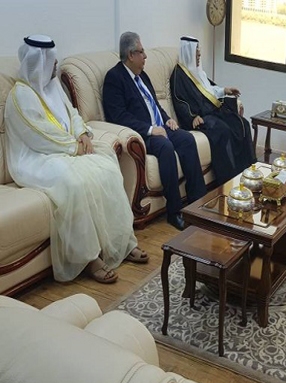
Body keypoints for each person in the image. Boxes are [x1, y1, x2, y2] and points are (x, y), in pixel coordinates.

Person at [4, 35, 148, 284]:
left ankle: (121, 243)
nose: (55, 64)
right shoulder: (20, 96)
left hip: (66, 150)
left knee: (107, 167)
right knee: (73, 183)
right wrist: (73, 147)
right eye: (51, 60)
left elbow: (72, 113)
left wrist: (82, 134)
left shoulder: (52, 86)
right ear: (38, 62)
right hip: (35, 159)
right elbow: (38, 135)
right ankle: (89, 259)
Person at [102, 32, 206, 231]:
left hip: (160, 127)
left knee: (186, 139)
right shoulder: (114, 78)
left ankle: (197, 203)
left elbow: (155, 105)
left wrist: (167, 119)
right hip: (143, 134)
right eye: (141, 52)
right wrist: (151, 129)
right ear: (130, 55)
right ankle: (174, 212)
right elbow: (119, 117)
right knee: (165, 147)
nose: (145, 56)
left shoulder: (142, 75)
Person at [170, 36, 255, 184]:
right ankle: (229, 179)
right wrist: (192, 117)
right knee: (223, 131)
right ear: (189, 54)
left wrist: (224, 90)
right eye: (197, 55)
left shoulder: (198, 72)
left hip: (212, 111)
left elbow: (209, 90)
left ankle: (248, 171)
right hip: (200, 117)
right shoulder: (179, 75)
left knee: (243, 124)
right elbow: (180, 101)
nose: (199, 57)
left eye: (199, 54)